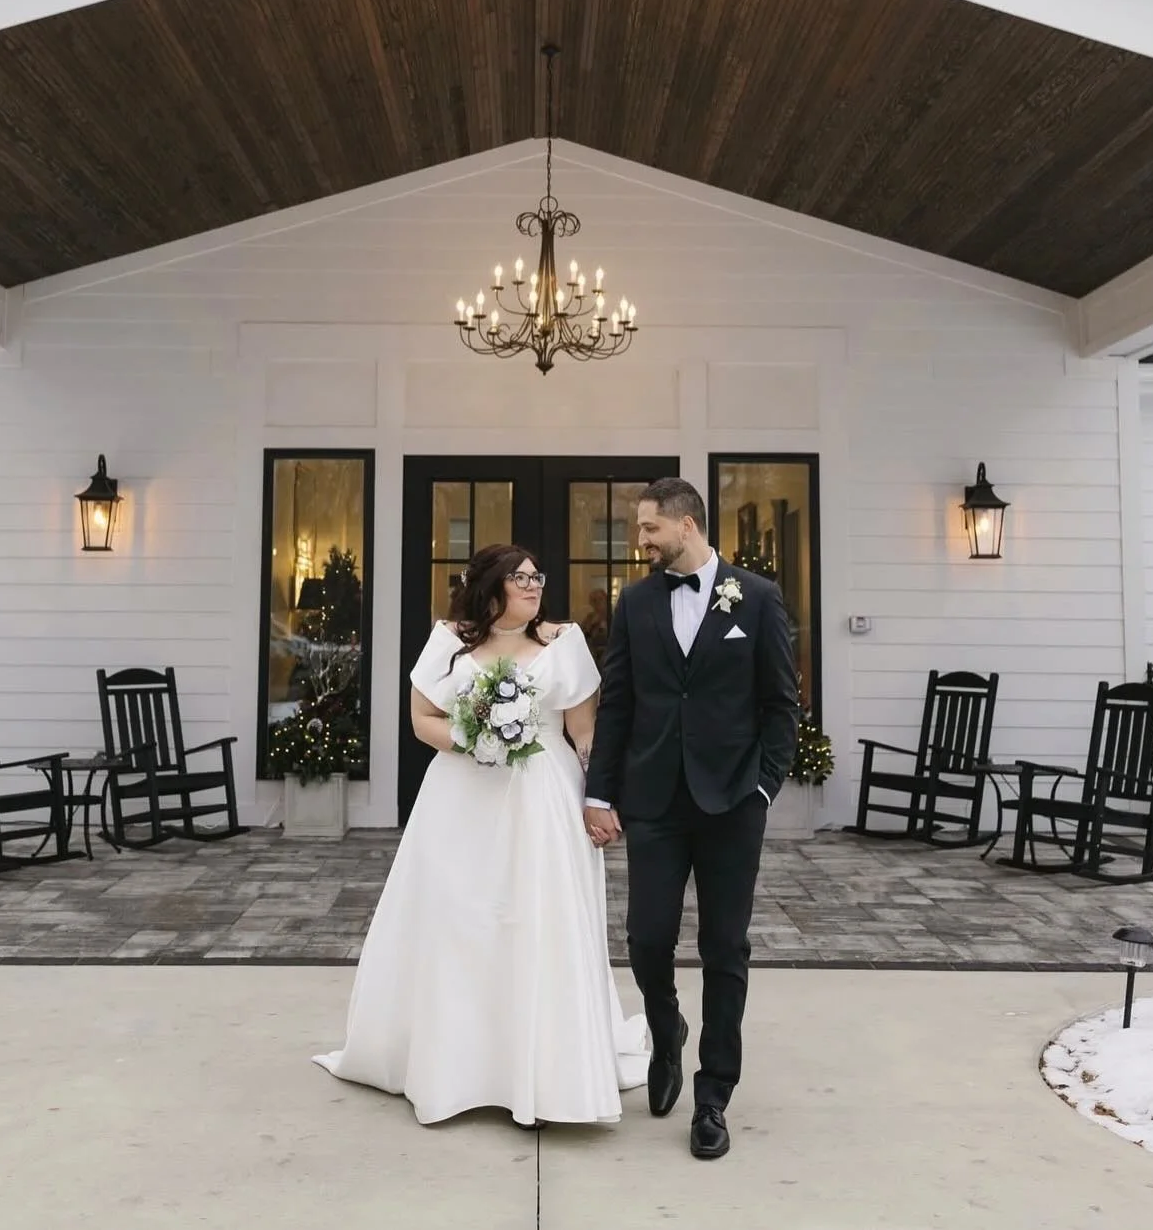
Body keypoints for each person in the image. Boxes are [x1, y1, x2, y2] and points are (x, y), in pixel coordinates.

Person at [314, 544, 649, 1126]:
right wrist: (478, 740)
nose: (533, 585)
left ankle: (547, 1072)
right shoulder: (449, 639)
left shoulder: (563, 641)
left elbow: (583, 730)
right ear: (489, 587)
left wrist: (602, 796)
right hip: (460, 800)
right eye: (520, 577)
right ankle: (457, 1069)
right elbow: (423, 721)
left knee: (538, 919)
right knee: (458, 922)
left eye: (537, 576)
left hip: (542, 794)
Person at [583, 478, 800, 1161]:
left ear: (685, 524)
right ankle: (665, 1026)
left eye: (648, 529)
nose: (639, 541)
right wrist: (599, 792)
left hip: (732, 803)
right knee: (646, 938)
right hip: (653, 800)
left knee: (724, 948)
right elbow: (617, 702)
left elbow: (780, 704)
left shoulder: (755, 597)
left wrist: (763, 788)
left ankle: (713, 1097)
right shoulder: (635, 601)